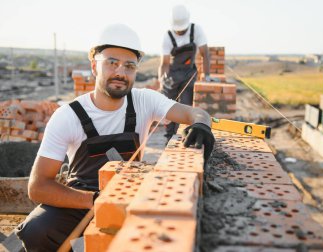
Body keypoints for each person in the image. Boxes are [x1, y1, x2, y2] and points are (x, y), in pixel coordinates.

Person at [15, 23, 215, 251]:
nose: (121, 72)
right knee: (37, 230)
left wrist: (201, 125)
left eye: (129, 66)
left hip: (129, 194)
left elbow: (194, 112)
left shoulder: (144, 101)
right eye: (112, 63)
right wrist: (95, 200)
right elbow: (38, 186)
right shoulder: (67, 116)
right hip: (80, 198)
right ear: (94, 66)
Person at [159, 4, 211, 142]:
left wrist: (207, 76)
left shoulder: (196, 30)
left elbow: (205, 53)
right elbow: (164, 63)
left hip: (189, 74)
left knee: (186, 105)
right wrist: (162, 79)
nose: (180, 32)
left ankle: (183, 136)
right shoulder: (168, 36)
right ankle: (169, 137)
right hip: (172, 75)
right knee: (168, 105)